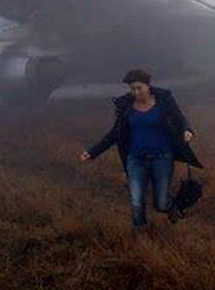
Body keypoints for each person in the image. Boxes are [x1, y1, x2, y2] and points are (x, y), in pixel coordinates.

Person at [81, 69, 202, 231]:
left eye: (139, 88)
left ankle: (174, 207)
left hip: (162, 158)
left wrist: (187, 130)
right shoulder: (126, 107)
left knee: (160, 203)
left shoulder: (164, 101)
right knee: (136, 202)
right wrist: (93, 151)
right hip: (135, 160)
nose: (136, 92)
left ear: (148, 85)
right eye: (132, 89)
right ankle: (140, 235)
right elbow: (115, 134)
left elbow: (180, 118)